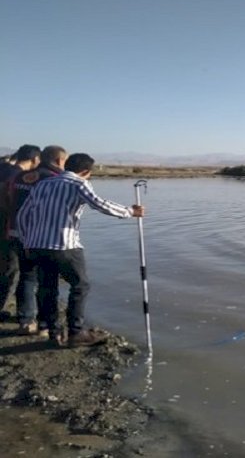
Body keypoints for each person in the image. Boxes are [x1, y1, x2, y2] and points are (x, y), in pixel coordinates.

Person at [17, 153, 145, 347]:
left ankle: (53, 331)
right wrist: (130, 212)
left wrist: (27, 241)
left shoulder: (42, 184)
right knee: (80, 285)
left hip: (37, 245)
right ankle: (76, 332)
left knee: (47, 287)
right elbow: (100, 204)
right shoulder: (79, 184)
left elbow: (23, 214)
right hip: (65, 245)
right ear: (86, 171)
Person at [11, 146, 68, 335]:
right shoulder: (54, 179)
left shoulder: (20, 176)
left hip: (16, 231)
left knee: (27, 275)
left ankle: (26, 320)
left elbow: (8, 199)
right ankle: (45, 325)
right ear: (59, 160)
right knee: (46, 281)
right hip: (42, 237)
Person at [0, 145, 41, 320]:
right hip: (7, 229)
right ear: (34, 160)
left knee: (6, 270)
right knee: (10, 271)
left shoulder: (6, 170)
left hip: (6, 228)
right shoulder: (16, 176)